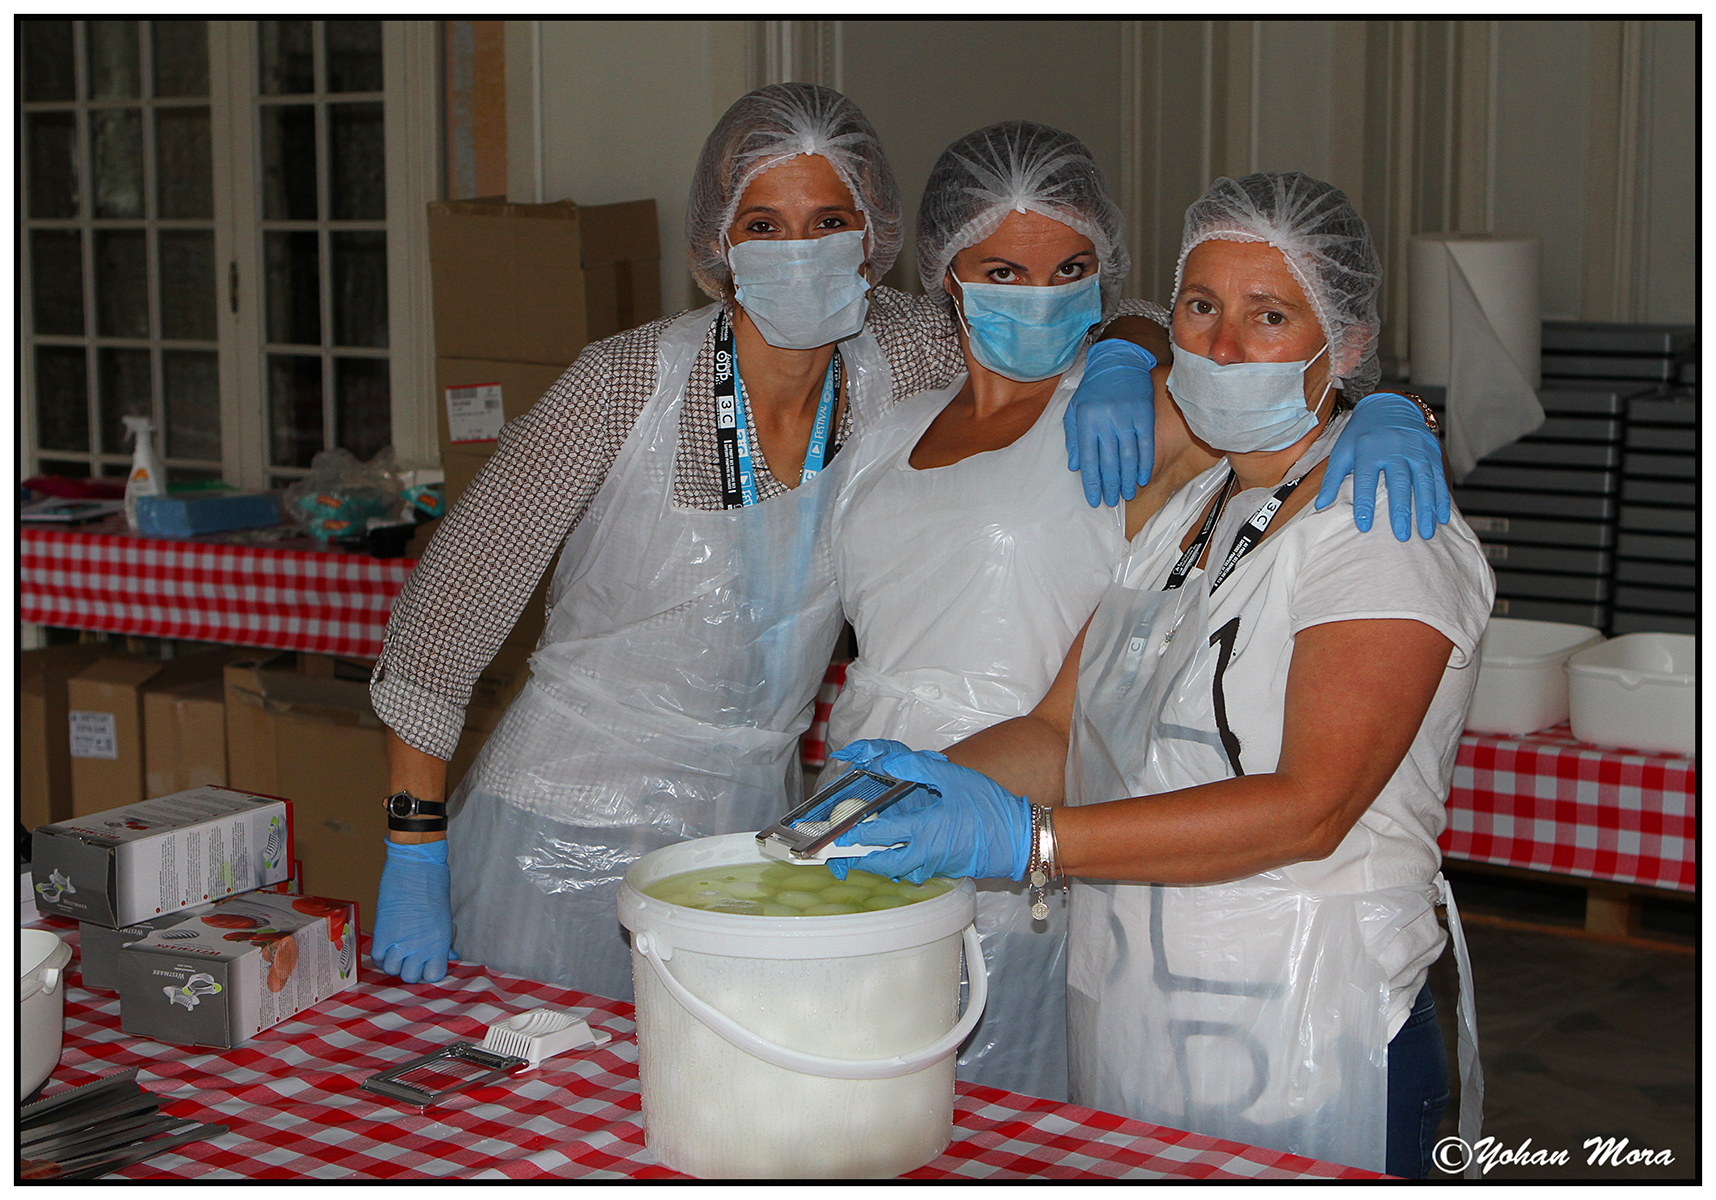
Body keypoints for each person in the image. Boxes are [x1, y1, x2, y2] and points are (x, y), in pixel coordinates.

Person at [366, 84, 1174, 998]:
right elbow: (442, 625)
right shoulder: (625, 382)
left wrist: (1125, 353)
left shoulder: (905, 354)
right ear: (718, 244)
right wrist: (413, 847)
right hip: (559, 822)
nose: (801, 251)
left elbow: (1087, 299)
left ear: (874, 237)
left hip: (748, 837)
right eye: (764, 225)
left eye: (829, 220)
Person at [830, 172, 1490, 1176]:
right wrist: (915, 791)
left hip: (1309, 1026)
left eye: (1271, 316)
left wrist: (1033, 840)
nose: (1222, 347)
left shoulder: (1379, 525)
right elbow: (1061, 730)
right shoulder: (1188, 509)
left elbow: (1310, 808)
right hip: (1134, 1016)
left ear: (1348, 343)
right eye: (1200, 307)